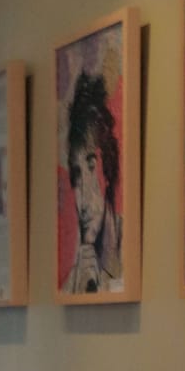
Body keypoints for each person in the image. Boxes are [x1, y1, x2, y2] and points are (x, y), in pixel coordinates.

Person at [63, 72, 122, 295]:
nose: (82, 196)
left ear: (106, 168)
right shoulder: (73, 284)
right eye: (76, 176)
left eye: (90, 166)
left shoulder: (131, 247)